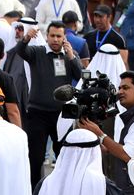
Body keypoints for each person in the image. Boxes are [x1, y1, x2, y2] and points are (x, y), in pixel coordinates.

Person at [14, 21, 83, 186]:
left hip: (61, 114)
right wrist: (26, 38)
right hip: (38, 113)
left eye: (59, 36)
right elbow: (20, 51)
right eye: (52, 36)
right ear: (47, 36)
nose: (55, 39)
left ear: (64, 38)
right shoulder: (38, 52)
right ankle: (34, 192)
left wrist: (71, 56)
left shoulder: (70, 55)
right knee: (35, 158)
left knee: (64, 155)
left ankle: (63, 188)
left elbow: (79, 74)